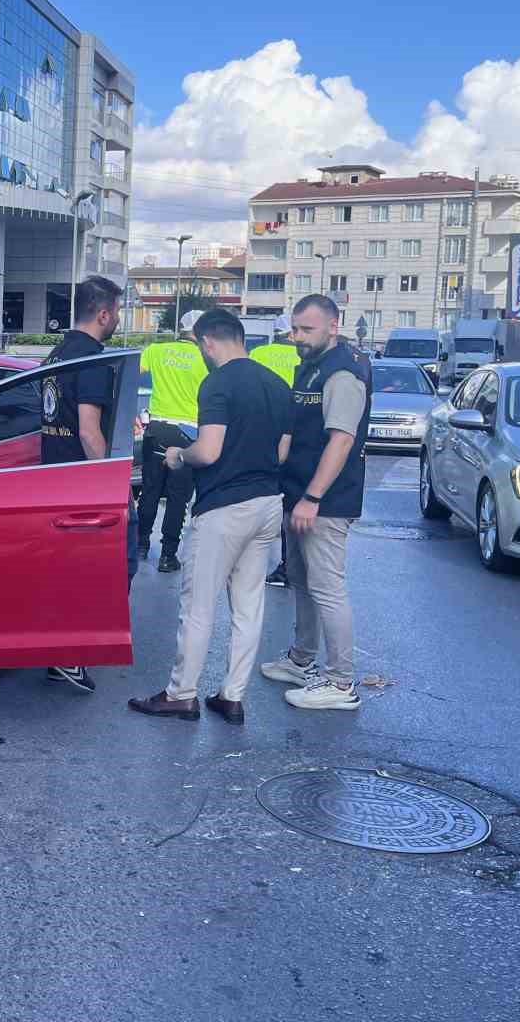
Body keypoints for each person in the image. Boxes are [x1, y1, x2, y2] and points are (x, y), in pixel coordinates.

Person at [128, 311, 291, 725]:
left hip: (223, 507)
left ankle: (181, 694)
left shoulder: (217, 382)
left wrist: (179, 456)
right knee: (248, 607)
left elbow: (209, 450)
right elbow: (282, 452)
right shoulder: (276, 384)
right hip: (268, 503)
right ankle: (232, 697)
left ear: (207, 342)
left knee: (198, 605)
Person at [260, 294, 371, 711]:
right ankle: (301, 660)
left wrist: (312, 497)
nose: (297, 336)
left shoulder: (342, 372)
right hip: (299, 494)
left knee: (327, 588)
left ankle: (341, 683)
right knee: (302, 581)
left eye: (307, 329)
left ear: (333, 327)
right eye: (295, 328)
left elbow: (341, 440)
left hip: (324, 501)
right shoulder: (310, 366)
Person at [40, 275, 135, 694]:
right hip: (83, 484)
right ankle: (73, 651)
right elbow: (89, 431)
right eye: (117, 312)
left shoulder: (57, 353)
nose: (118, 319)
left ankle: (60, 651)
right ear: (104, 314)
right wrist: (113, 488)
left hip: (53, 478)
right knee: (115, 564)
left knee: (67, 568)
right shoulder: (92, 359)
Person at [136, 314, 209, 573]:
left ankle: (141, 544)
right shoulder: (206, 358)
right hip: (188, 433)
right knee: (178, 498)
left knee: (150, 490)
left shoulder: (156, 350)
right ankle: (168, 556)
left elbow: (131, 373)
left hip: (157, 429)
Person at [252, 330, 303, 587]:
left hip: (263, 429)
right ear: (291, 336)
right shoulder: (302, 356)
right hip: (294, 429)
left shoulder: (259, 353)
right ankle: (288, 565)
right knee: (289, 501)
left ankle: (251, 560)